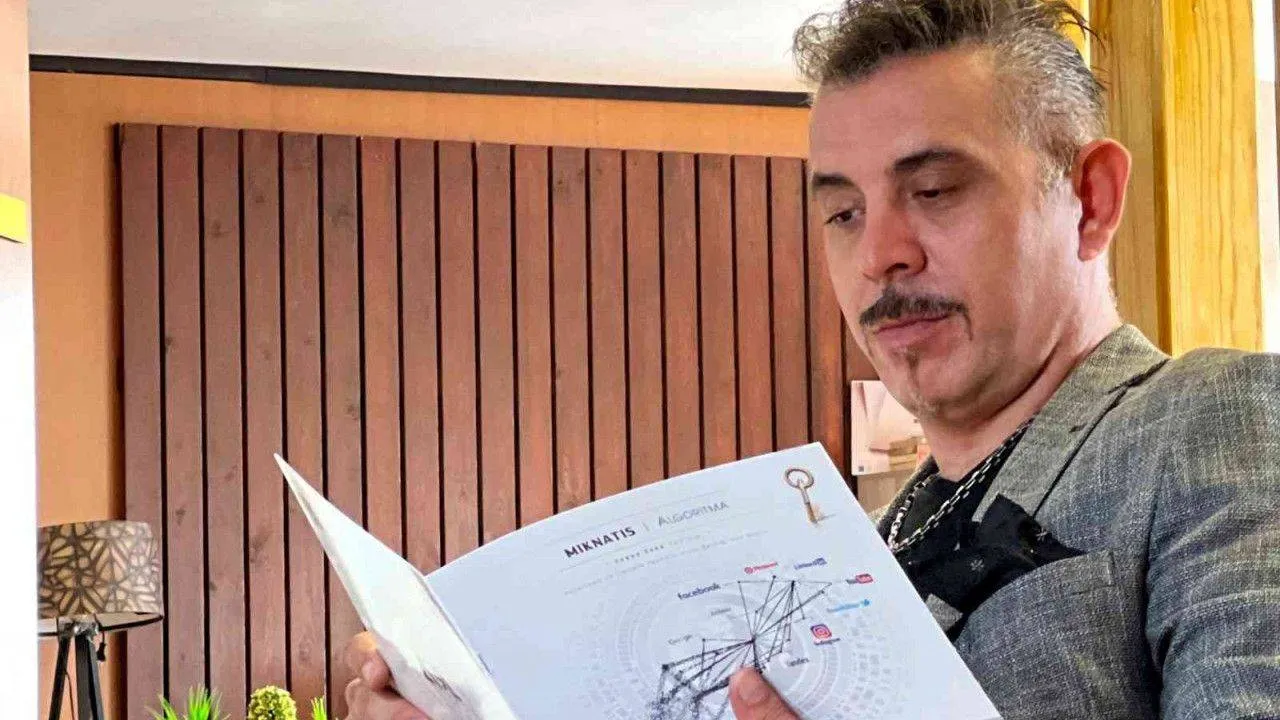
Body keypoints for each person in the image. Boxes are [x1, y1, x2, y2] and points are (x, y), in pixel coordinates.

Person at [342, 1, 1280, 718]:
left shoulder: (1220, 421)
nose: (880, 255)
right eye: (842, 212)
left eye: (935, 189)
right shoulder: (855, 546)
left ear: (1091, 198)